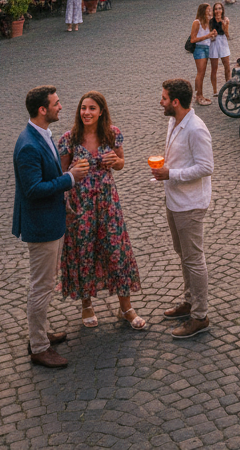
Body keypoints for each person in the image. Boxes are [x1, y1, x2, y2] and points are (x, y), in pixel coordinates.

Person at [13, 85, 89, 367]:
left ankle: (40, 334)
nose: (61, 107)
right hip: (41, 226)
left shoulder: (41, 134)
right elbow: (33, 189)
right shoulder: (29, 145)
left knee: (45, 284)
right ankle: (39, 347)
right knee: (42, 286)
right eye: (56, 103)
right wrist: (70, 178)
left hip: (51, 220)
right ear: (42, 109)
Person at [58, 92, 144, 330]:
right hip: (81, 205)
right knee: (83, 250)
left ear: (101, 112)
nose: (86, 112)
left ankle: (125, 307)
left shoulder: (112, 134)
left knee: (116, 250)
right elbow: (61, 174)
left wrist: (115, 162)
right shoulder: (69, 139)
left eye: (92, 108)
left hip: (108, 203)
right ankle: (86, 305)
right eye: (83, 108)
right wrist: (73, 172)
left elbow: (121, 162)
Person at [150, 78, 213, 339]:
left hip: (190, 204)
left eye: (164, 98)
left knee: (194, 259)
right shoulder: (174, 122)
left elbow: (206, 167)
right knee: (183, 254)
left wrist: (171, 173)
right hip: (174, 199)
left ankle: (200, 316)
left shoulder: (196, 129)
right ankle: (189, 301)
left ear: (175, 102)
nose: (161, 102)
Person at [189, 3, 214, 106]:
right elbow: (193, 39)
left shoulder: (208, 22)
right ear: (203, 11)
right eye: (208, 10)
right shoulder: (197, 22)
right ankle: (198, 96)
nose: (210, 11)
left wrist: (212, 35)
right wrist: (207, 36)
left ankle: (200, 95)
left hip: (207, 47)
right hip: (199, 48)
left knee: (202, 73)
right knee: (200, 73)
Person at [208, 2, 231, 96]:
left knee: (227, 66)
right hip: (214, 43)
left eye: (219, 8)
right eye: (216, 9)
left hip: (223, 41)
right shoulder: (210, 21)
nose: (218, 11)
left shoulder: (225, 19)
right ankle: (215, 90)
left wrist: (224, 25)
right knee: (214, 68)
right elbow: (209, 34)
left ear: (222, 10)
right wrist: (212, 35)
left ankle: (228, 88)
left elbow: (227, 34)